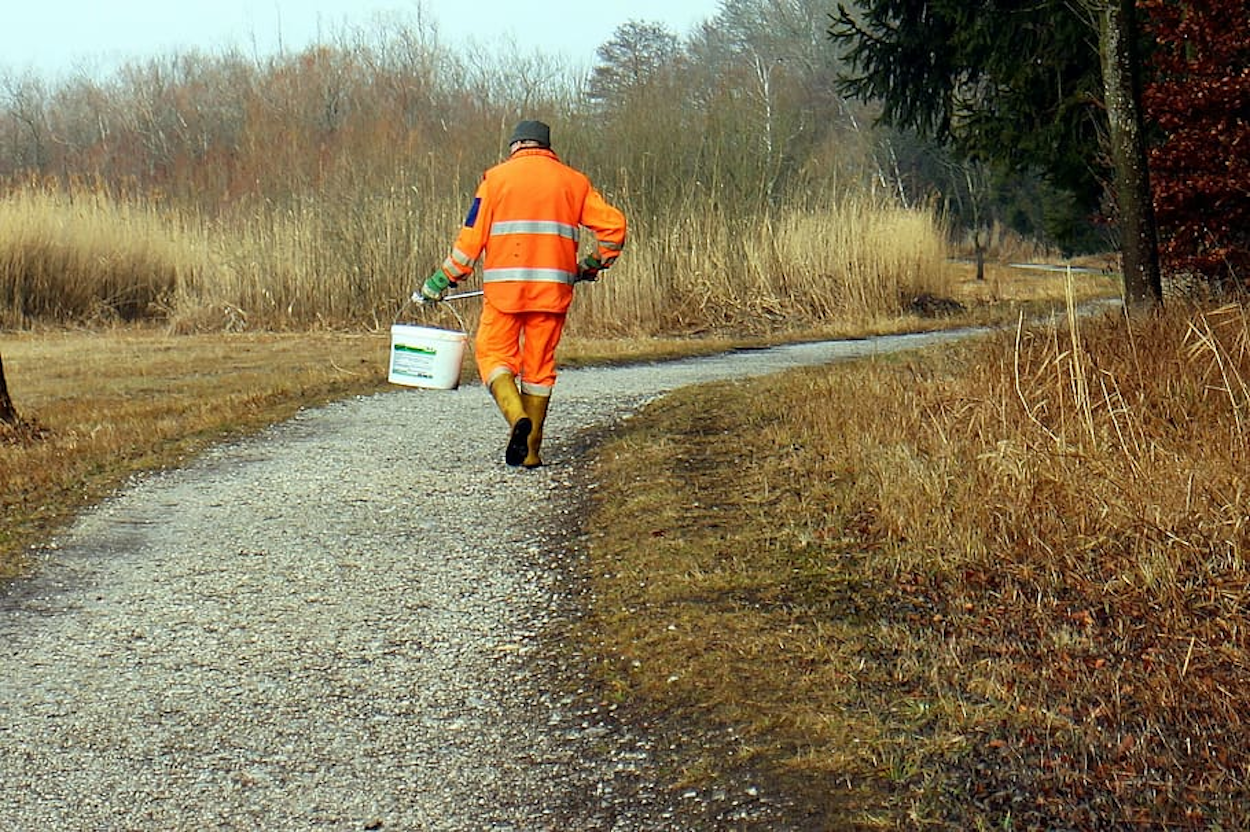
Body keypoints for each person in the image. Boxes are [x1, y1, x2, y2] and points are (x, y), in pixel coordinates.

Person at [417, 119, 627, 468]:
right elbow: (614, 229)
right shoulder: (574, 182)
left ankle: (517, 420)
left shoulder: (495, 180)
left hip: (505, 293)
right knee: (539, 368)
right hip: (553, 292)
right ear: (547, 147)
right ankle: (531, 451)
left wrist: (442, 279)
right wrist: (592, 264)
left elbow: (470, 241)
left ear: (514, 146)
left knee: (492, 354)